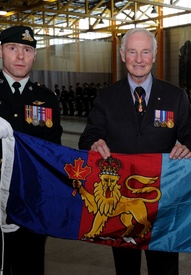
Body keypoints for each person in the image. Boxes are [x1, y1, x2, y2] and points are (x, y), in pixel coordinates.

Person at [78, 28, 191, 275]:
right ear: (123, 55)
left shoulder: (175, 96)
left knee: (165, 268)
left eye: (145, 52)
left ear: (154, 55)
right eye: (132, 52)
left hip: (162, 201)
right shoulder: (106, 97)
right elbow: (88, 136)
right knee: (126, 269)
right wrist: (94, 143)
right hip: (121, 204)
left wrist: (188, 145)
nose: (139, 59)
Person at [0, 25, 63, 275]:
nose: (20, 56)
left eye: (27, 49)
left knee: (31, 265)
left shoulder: (47, 99)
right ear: (1, 51)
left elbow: (53, 150)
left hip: (33, 201)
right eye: (13, 48)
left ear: (34, 55)